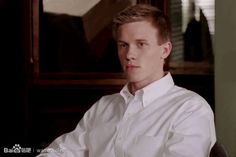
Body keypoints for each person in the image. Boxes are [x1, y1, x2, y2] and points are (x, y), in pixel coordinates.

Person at [37, 4, 216, 157]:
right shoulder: (104, 107)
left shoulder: (190, 109)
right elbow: (61, 151)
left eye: (141, 44)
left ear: (165, 50)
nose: (129, 55)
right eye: (123, 45)